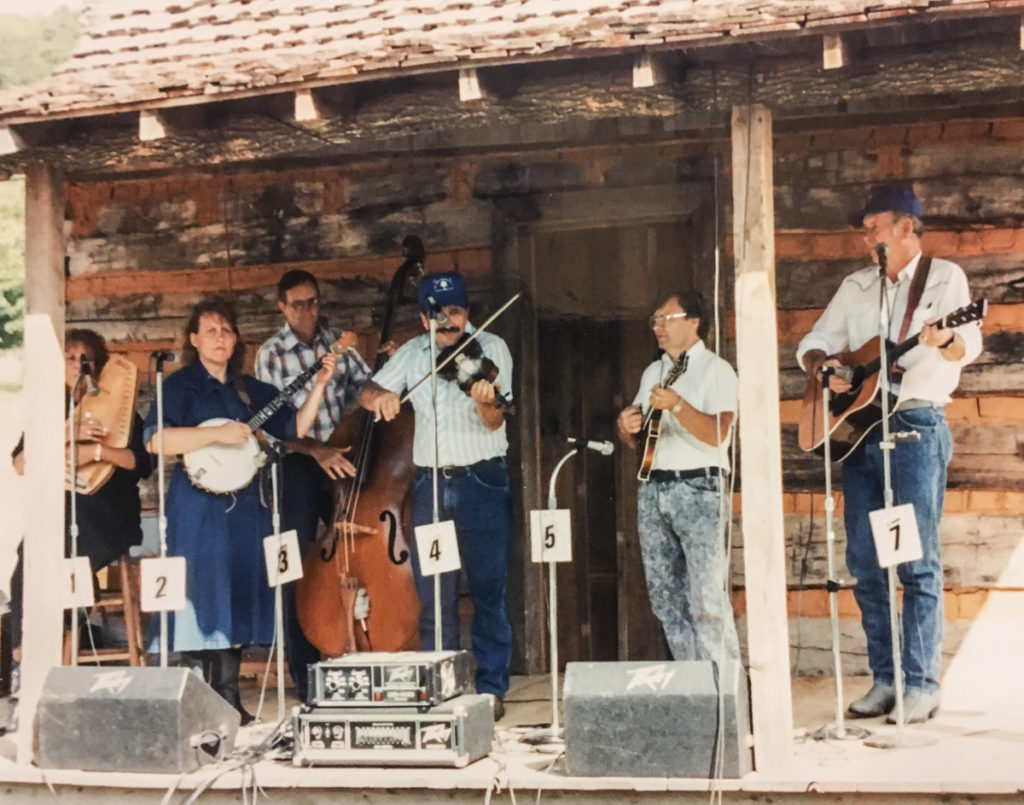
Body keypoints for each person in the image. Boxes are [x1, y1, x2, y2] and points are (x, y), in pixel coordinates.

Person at [796, 184, 982, 723]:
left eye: (873, 227)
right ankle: (886, 678)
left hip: (915, 426)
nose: (865, 236)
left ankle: (922, 683)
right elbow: (813, 342)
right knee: (865, 563)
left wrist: (942, 341)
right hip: (859, 431)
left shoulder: (945, 279)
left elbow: (965, 345)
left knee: (916, 560)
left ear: (905, 228)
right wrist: (824, 370)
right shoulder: (856, 285)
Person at [144, 297, 336, 723]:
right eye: (210, 330)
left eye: (227, 330)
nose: (220, 337)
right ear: (193, 339)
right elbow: (157, 442)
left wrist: (320, 383)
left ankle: (229, 696)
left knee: (233, 592)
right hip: (195, 504)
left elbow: (295, 429)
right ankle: (191, 698)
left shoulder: (251, 390)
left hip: (246, 503)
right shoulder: (178, 387)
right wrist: (215, 436)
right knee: (195, 595)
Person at [358, 272, 514, 719]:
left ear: (468, 312)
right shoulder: (412, 354)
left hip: (482, 480)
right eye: (438, 313)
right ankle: (445, 683)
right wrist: (381, 398)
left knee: (488, 589)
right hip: (432, 486)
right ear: (424, 317)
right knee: (435, 591)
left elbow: (494, 421)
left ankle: (489, 688)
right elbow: (367, 391)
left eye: (457, 311)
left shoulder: (493, 348)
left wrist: (487, 400)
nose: (448, 321)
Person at [3, 329, 153, 732]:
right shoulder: (49, 411)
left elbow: (141, 464)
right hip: (60, 516)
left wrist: (98, 451)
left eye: (86, 358)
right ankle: (23, 665)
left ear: (98, 367)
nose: (77, 364)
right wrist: (68, 434)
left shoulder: (118, 409)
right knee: (29, 558)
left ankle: (56, 674)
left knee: (66, 560)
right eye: (70, 357)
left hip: (108, 517)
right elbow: (21, 465)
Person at [254, 269, 372, 700]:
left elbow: (367, 390)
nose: (308, 311)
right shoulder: (271, 354)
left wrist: (382, 380)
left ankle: (361, 660)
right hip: (297, 464)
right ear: (283, 307)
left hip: (340, 456)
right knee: (296, 568)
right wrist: (313, 451)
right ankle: (306, 678)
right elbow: (270, 425)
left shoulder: (336, 343)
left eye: (314, 302)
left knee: (358, 553)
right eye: (299, 304)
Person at [616, 291, 740, 665]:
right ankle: (693, 687)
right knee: (666, 599)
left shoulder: (717, 370)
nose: (657, 327)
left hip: (699, 486)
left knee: (707, 598)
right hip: (654, 487)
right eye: (654, 320)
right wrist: (625, 425)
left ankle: (726, 695)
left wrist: (679, 406)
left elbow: (719, 433)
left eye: (666, 319)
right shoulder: (652, 372)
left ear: (693, 322)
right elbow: (637, 437)